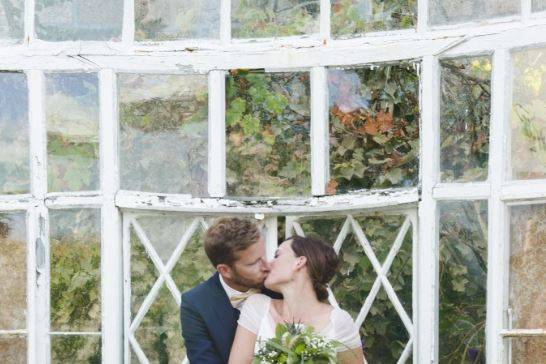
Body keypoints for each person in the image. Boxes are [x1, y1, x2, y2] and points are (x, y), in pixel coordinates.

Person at [228, 235, 364, 364]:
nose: (268, 264)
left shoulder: (338, 321)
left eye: (277, 255)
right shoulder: (257, 306)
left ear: (299, 262)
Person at [180, 217, 277, 363]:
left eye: (264, 255)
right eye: (254, 263)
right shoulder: (195, 304)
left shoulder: (278, 286)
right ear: (225, 270)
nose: (266, 266)